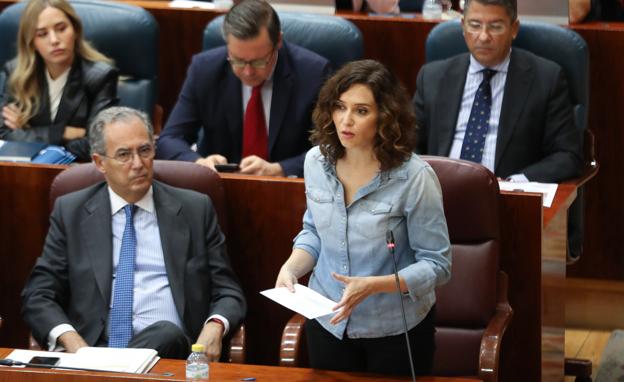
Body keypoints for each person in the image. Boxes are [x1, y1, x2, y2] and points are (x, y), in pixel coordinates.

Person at [21, 106, 246, 360]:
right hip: (92, 353)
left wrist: (215, 325)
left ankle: (112, 372)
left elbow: (228, 292)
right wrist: (74, 344)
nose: (138, 164)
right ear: (99, 162)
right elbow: (38, 294)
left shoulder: (194, 209)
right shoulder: (71, 212)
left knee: (166, 333)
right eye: (124, 155)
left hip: (170, 355)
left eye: (144, 150)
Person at [275, 60, 451, 375]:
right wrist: (291, 268)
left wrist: (375, 286)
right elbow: (314, 232)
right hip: (328, 321)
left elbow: (438, 266)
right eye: (339, 107)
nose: (346, 120)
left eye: (361, 111)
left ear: (384, 117)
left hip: (394, 330)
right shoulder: (316, 162)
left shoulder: (415, 177)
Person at [156, 0, 331, 177]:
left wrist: (280, 169)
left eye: (258, 61)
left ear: (278, 41)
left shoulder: (313, 74)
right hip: (220, 187)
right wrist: (198, 163)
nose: (248, 72)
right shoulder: (204, 69)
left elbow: (328, 148)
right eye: (238, 60)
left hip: (286, 189)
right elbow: (169, 139)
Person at [413, 0, 582, 183]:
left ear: (514, 28)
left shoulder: (546, 78)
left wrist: (515, 183)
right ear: (463, 26)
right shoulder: (433, 77)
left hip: (507, 199)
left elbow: (567, 155)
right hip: (439, 193)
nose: (484, 36)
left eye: (495, 27)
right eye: (475, 25)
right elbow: (405, 144)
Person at [0, 0, 118, 162]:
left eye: (61, 29)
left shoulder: (100, 77)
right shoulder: (16, 73)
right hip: (26, 170)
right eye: (42, 34)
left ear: (75, 30)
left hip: (77, 170)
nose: (54, 40)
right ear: (32, 42)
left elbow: (97, 144)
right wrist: (62, 133)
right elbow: (3, 134)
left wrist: (30, 132)